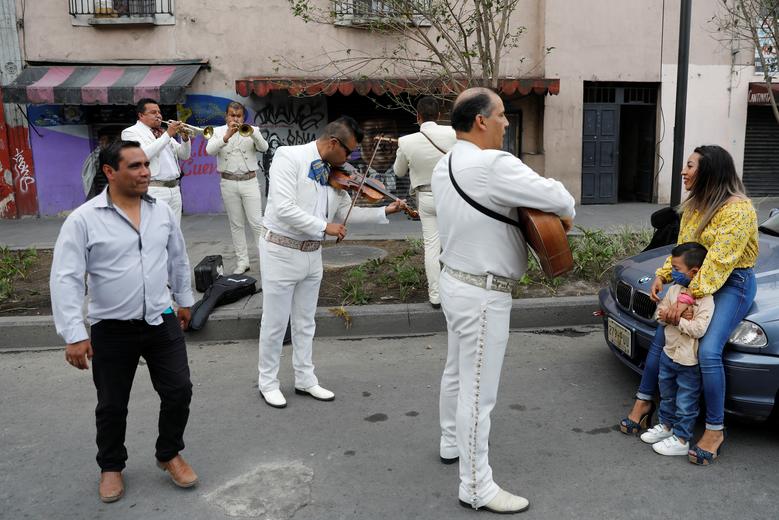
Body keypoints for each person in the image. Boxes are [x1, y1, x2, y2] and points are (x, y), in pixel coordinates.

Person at [432, 88, 575, 513]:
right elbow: (562, 200)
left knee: (457, 372)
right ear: (480, 121)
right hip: (483, 292)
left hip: (455, 282)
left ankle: (449, 441)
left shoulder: (446, 164)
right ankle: (475, 487)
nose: (506, 122)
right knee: (479, 393)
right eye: (500, 115)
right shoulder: (493, 163)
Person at [50, 140, 198, 503]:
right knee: (112, 404)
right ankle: (111, 466)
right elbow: (66, 277)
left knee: (178, 391)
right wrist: (73, 333)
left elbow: (177, 257)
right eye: (135, 166)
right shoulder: (84, 219)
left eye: (146, 164)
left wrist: (184, 299)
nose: (145, 172)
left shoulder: (160, 211)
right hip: (112, 328)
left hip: (160, 320)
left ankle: (169, 454)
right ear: (110, 172)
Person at [619, 145, 758, 466]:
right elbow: (685, 252)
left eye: (691, 166)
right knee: (661, 337)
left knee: (707, 351)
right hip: (695, 278)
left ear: (711, 172)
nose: (683, 171)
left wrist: (682, 303)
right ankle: (644, 405)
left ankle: (714, 429)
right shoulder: (696, 204)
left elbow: (717, 266)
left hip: (731, 282)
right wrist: (663, 275)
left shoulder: (738, 210)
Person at [257, 116, 407, 409]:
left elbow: (344, 215)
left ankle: (305, 378)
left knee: (305, 321)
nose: (350, 160)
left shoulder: (335, 174)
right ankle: (268, 382)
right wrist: (324, 227)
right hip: (280, 250)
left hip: (312, 254)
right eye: (349, 152)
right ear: (333, 143)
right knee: (275, 323)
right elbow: (284, 209)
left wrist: (384, 211)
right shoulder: (288, 157)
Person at [639, 242, 714, 456]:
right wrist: (679, 316)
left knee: (686, 402)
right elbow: (659, 315)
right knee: (667, 394)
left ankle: (682, 439)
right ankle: (666, 427)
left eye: (677, 269)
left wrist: (676, 319)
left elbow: (698, 329)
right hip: (668, 354)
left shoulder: (705, 298)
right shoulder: (673, 290)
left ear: (694, 272)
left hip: (688, 362)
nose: (673, 272)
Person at [393, 96, 457, 309]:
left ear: (417, 116)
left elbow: (398, 171)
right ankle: (456, 292)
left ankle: (435, 297)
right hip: (452, 196)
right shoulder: (454, 134)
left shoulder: (406, 141)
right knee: (453, 244)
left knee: (432, 246)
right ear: (439, 115)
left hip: (426, 197)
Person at [206, 101, 269, 274]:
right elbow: (209, 151)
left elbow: (264, 147)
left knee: (257, 223)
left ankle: (266, 260)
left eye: (238, 115)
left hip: (249, 181)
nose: (235, 118)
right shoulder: (217, 132)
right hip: (228, 182)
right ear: (226, 116)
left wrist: (254, 135)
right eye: (232, 115)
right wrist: (226, 136)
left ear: (243, 117)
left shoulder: (252, 130)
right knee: (236, 224)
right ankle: (243, 262)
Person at [122, 98, 191, 224]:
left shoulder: (162, 132)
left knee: (174, 232)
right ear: (141, 115)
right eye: (153, 112)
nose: (158, 115)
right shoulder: (130, 132)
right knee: (155, 231)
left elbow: (184, 155)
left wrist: (185, 139)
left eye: (159, 112)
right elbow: (142, 156)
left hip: (174, 189)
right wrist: (168, 135)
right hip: (153, 189)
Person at [80, 128, 113, 200]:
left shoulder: (114, 154)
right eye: (100, 140)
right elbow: (87, 172)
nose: (101, 142)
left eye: (104, 139)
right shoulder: (95, 154)